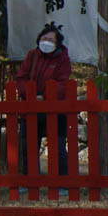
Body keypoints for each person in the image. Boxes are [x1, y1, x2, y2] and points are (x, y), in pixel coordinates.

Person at [12, 23, 74, 187]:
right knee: (29, 146)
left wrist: (46, 96)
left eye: (50, 39)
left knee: (58, 147)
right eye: (44, 38)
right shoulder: (32, 56)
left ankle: (61, 184)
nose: (46, 42)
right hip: (31, 108)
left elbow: (63, 83)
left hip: (55, 109)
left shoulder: (63, 59)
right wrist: (29, 94)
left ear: (57, 43)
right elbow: (21, 78)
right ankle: (30, 182)